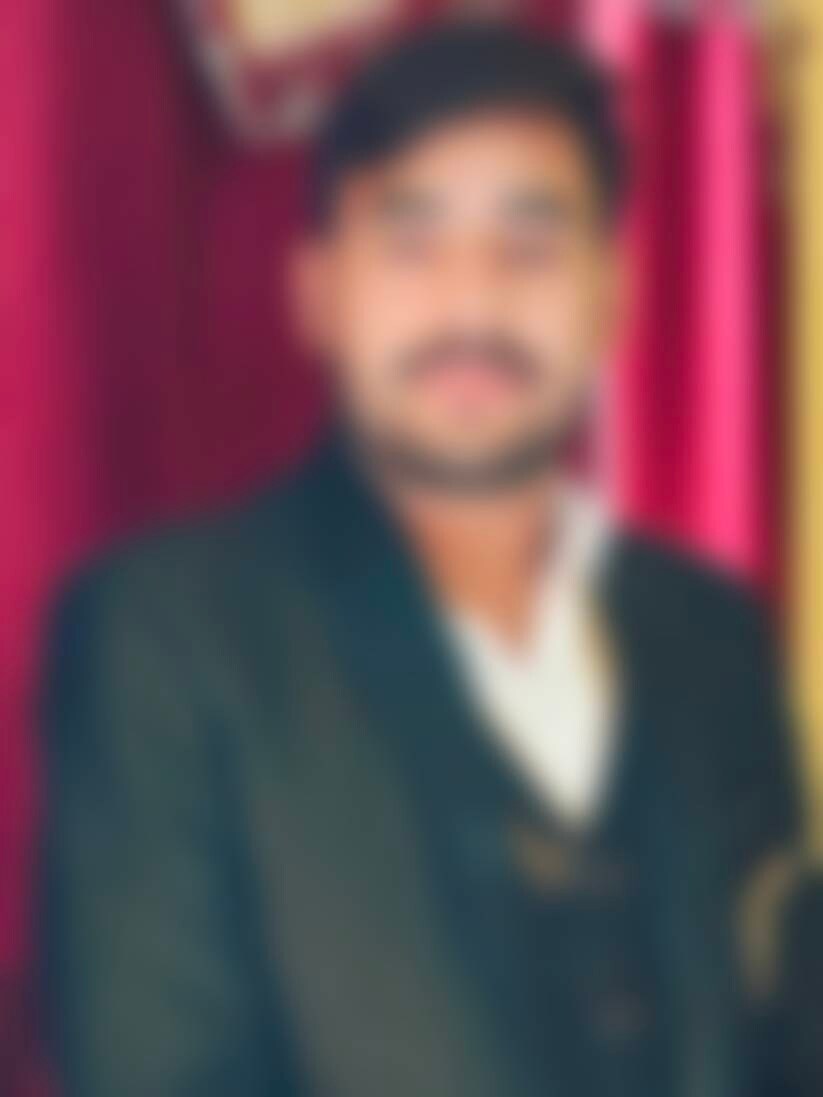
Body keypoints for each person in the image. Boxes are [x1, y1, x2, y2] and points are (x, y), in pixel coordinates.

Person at [41, 22, 802, 1097]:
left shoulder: (710, 632)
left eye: (530, 245)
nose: (472, 303)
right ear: (317, 294)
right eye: (413, 242)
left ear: (613, 293)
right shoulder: (168, 639)